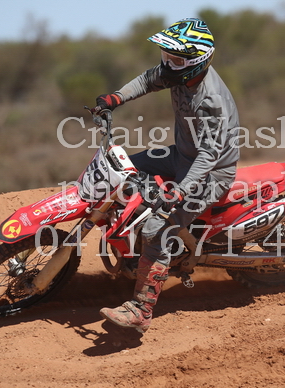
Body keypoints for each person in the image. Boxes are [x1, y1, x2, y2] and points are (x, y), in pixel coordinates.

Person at [96, 18, 240, 333]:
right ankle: (132, 249)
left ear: (196, 61)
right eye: (166, 56)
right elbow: (148, 80)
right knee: (121, 168)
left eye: (174, 59)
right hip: (181, 155)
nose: (166, 64)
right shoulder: (179, 73)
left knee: (157, 229)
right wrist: (115, 98)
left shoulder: (210, 101)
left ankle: (141, 310)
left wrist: (181, 190)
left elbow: (209, 156)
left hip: (210, 174)